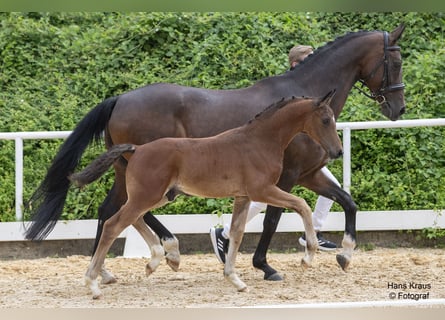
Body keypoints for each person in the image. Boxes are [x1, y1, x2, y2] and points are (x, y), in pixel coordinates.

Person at [209, 45, 339, 264]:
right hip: (281, 154)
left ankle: (314, 230)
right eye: (308, 59)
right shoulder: (287, 90)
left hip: (301, 156)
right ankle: (225, 234)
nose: (314, 64)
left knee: (332, 187)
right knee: (262, 196)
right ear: (295, 64)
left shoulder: (307, 88)